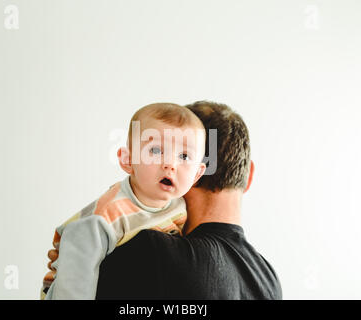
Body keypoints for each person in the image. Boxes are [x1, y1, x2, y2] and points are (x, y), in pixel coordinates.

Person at [94, 101, 283, 299]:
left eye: (182, 155)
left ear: (195, 173)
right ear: (250, 175)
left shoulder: (149, 254)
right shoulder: (269, 280)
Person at [41, 103, 207, 299]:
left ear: (197, 174)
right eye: (155, 151)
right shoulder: (105, 217)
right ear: (128, 160)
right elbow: (74, 277)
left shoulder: (179, 206)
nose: (170, 164)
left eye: (184, 156)